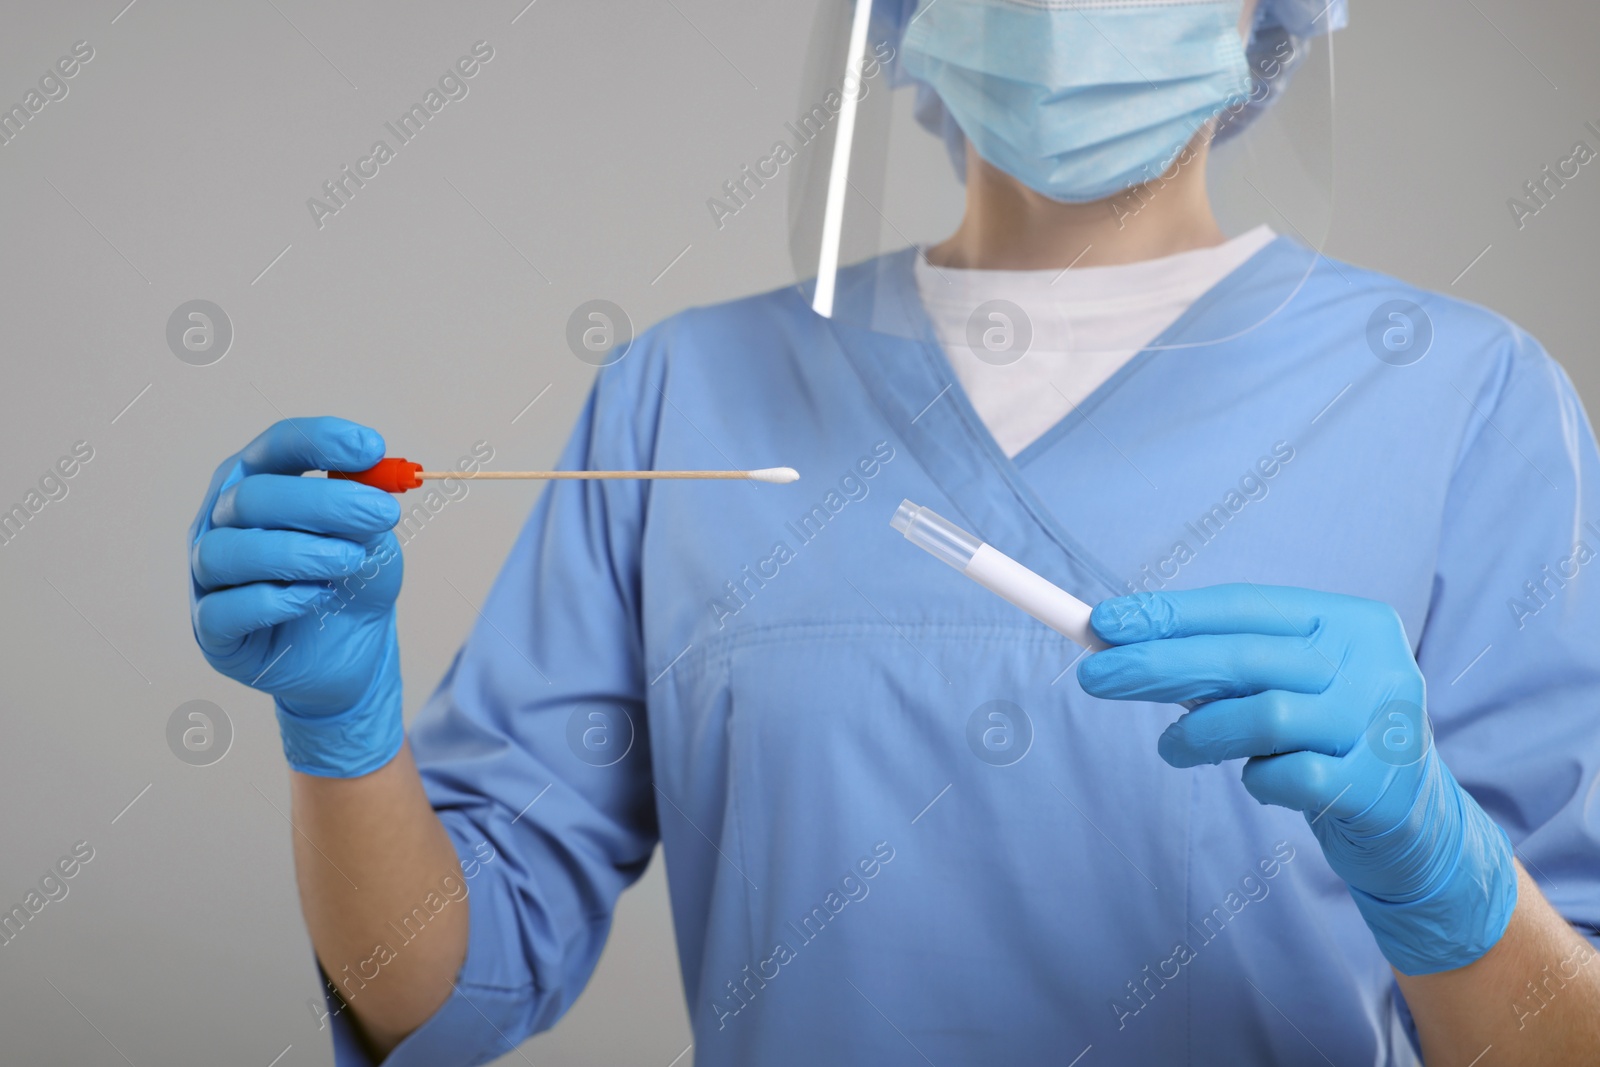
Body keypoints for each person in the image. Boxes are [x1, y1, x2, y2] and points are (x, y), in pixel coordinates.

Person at [188, 1, 1600, 1063]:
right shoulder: (689, 393)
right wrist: (344, 734)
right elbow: (445, 990)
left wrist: (1440, 869)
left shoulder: (1463, 400)